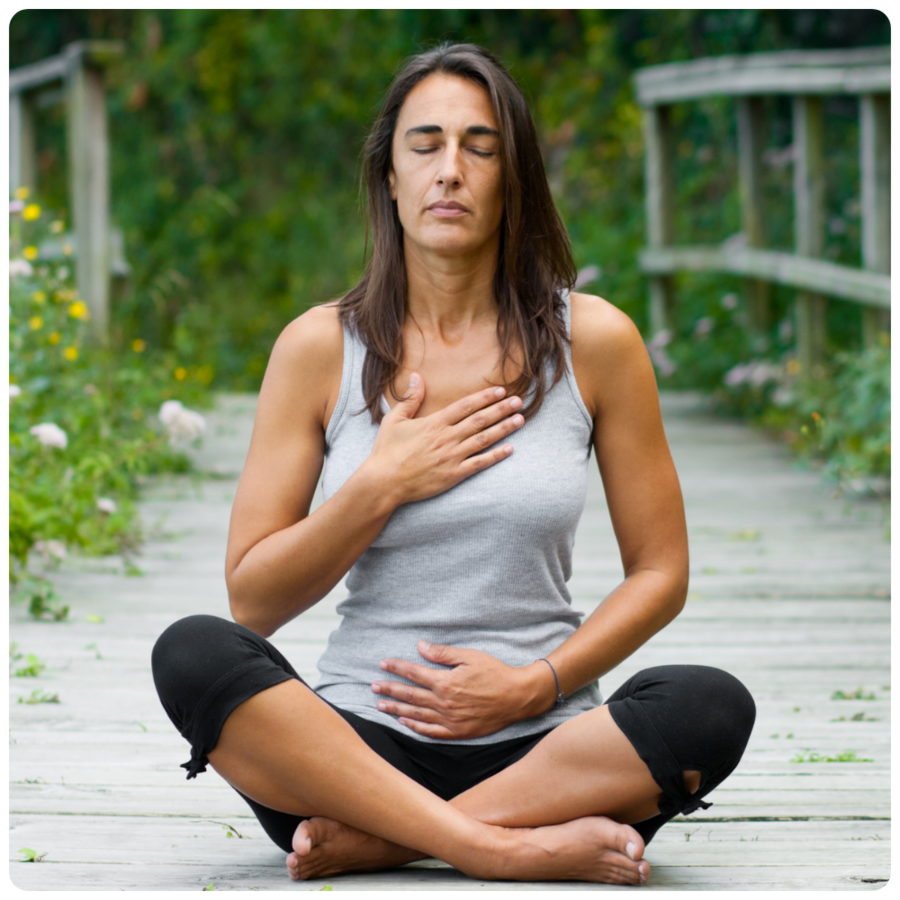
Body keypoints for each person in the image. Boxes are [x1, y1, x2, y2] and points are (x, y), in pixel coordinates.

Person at [152, 43, 755, 886]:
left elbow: (662, 573)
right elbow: (253, 602)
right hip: (355, 751)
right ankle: (499, 846)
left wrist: (535, 686)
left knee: (712, 705)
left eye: (480, 147)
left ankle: (388, 841)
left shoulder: (597, 342)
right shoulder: (318, 348)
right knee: (192, 652)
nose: (450, 170)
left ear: (515, 178)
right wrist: (380, 485)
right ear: (389, 176)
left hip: (545, 749)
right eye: (425, 144)